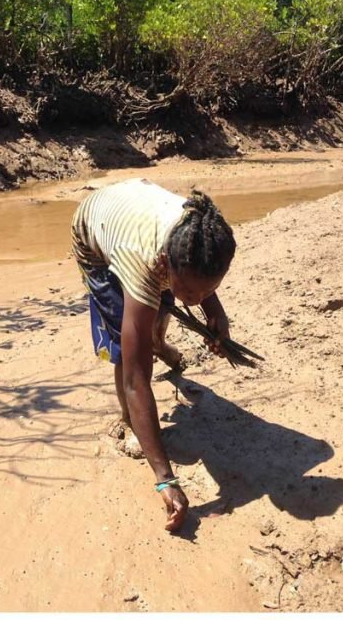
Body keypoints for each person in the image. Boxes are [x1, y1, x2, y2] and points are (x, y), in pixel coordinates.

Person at [71, 177, 236, 531]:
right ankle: (129, 420)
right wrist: (165, 479)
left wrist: (215, 313)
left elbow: (198, 278)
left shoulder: (201, 238)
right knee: (127, 346)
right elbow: (134, 381)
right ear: (166, 263)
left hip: (136, 218)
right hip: (94, 237)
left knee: (153, 315)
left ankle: (157, 345)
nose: (194, 299)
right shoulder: (143, 260)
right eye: (188, 291)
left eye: (208, 288)